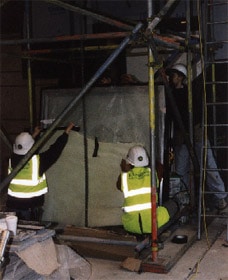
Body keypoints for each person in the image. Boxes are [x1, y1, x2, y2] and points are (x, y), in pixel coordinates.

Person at [166, 63, 227, 210]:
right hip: (181, 134)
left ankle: (221, 198)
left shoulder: (190, 93)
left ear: (180, 77)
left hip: (196, 131)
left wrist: (191, 129)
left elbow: (196, 113)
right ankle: (184, 201)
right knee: (181, 170)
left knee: (208, 164)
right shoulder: (171, 94)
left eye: (173, 76)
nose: (171, 79)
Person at [6, 122, 75, 221]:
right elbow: (55, 149)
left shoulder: (12, 158)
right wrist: (66, 132)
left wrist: (35, 134)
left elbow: (25, 148)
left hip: (12, 206)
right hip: (30, 208)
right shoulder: (38, 162)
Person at [116, 145, 170, 235]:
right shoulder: (152, 173)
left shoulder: (125, 177)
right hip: (152, 224)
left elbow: (119, 186)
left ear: (129, 161)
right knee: (173, 204)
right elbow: (160, 169)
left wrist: (124, 170)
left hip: (131, 225)